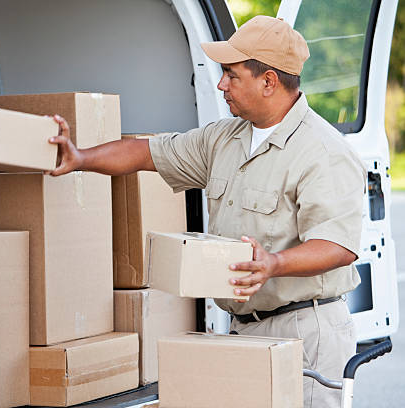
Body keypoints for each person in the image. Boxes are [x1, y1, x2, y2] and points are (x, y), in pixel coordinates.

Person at [48, 15, 365, 408]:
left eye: (231, 75)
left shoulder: (323, 152)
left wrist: (274, 263)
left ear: (268, 81)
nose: (221, 85)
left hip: (304, 333)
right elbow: (146, 153)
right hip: (242, 331)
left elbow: (338, 246)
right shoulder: (225, 138)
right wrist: (79, 158)